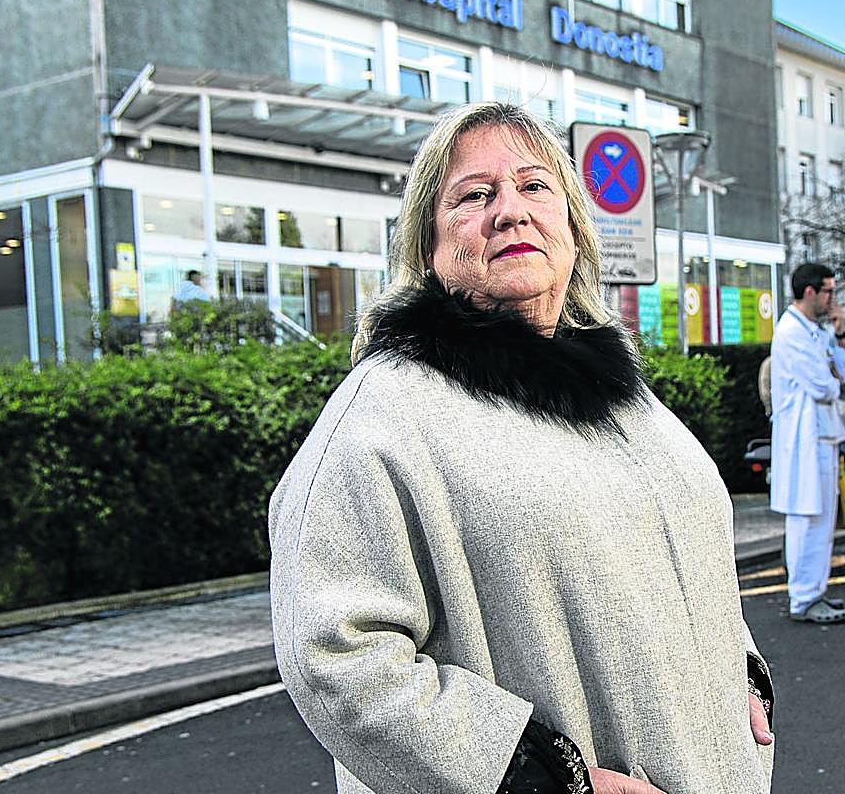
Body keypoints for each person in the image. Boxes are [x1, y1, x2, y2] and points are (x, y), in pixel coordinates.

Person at [269, 103, 774, 794]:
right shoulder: (385, 414)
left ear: (571, 226)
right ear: (426, 248)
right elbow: (335, 655)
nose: (510, 211)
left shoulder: (629, 401)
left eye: (535, 186)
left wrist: (736, 674)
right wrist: (542, 779)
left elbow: (690, 561)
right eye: (474, 195)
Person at [770, 262, 845, 624]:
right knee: (808, 517)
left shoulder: (812, 330)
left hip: (821, 433)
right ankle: (803, 597)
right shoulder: (791, 332)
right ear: (810, 291)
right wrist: (834, 375)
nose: (832, 299)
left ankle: (815, 590)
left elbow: (844, 370)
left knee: (822, 518)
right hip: (804, 440)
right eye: (828, 291)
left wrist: (838, 336)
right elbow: (826, 385)